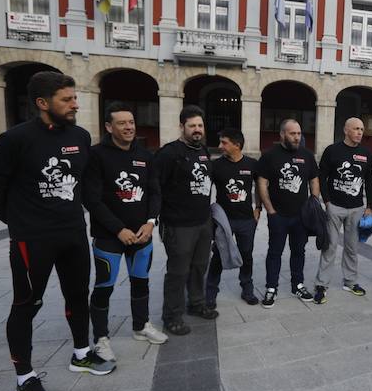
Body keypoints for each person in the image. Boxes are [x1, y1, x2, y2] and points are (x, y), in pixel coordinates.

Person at [0, 71, 114, 391]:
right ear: (42, 103)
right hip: (32, 241)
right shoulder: (15, 139)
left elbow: (82, 182)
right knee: (27, 304)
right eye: (66, 100)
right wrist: (22, 224)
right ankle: (24, 377)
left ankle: (81, 353)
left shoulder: (81, 136)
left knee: (77, 296)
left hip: (72, 234)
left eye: (74, 97)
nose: (75, 104)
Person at [83, 102, 166, 363]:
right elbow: (92, 199)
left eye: (131, 122)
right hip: (110, 237)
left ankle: (141, 326)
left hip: (142, 235)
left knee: (140, 282)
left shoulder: (145, 155)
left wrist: (151, 222)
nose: (129, 127)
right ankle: (101, 338)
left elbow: (155, 192)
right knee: (104, 286)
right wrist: (118, 229)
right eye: (122, 123)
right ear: (109, 126)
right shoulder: (96, 155)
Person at [154, 105, 217, 336]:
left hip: (202, 222)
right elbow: (156, 187)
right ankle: (172, 316)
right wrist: (154, 219)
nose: (197, 130)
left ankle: (196, 303)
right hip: (178, 225)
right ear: (182, 127)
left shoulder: (204, 151)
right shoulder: (168, 153)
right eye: (192, 126)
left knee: (200, 266)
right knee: (178, 272)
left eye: (200, 125)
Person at [255, 119, 320, 307]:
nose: (297, 137)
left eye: (299, 133)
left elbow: (314, 180)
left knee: (299, 251)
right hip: (279, 216)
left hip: (301, 216)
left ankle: (297, 285)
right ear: (282, 134)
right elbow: (261, 183)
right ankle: (271, 288)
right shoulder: (270, 156)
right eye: (293, 133)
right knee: (274, 252)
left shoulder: (307, 155)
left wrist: (313, 204)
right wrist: (270, 211)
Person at [313, 117, 372, 304]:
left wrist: (370, 206)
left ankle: (350, 281)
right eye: (356, 128)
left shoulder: (366, 153)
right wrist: (327, 201)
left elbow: (369, 182)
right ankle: (321, 284)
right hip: (335, 207)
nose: (360, 132)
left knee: (352, 247)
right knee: (329, 246)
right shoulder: (332, 151)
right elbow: (321, 176)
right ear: (346, 130)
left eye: (362, 129)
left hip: (356, 208)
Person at [206, 128, 259, 308]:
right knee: (219, 255)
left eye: (224, 142)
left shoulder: (252, 164)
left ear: (237, 145)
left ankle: (247, 288)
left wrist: (258, 207)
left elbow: (260, 186)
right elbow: (205, 190)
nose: (220, 146)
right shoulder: (216, 165)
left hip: (246, 221)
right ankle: (211, 292)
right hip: (224, 222)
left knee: (246, 255)